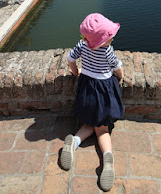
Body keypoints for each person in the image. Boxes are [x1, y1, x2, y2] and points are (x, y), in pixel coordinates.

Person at [60, 13, 124, 192]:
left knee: (89, 122)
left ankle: (73, 142)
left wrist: (76, 72)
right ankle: (107, 158)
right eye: (109, 36)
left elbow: (70, 59)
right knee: (102, 129)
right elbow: (117, 68)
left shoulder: (83, 44)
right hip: (103, 93)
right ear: (102, 40)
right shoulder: (107, 50)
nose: (111, 37)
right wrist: (121, 76)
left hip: (87, 90)